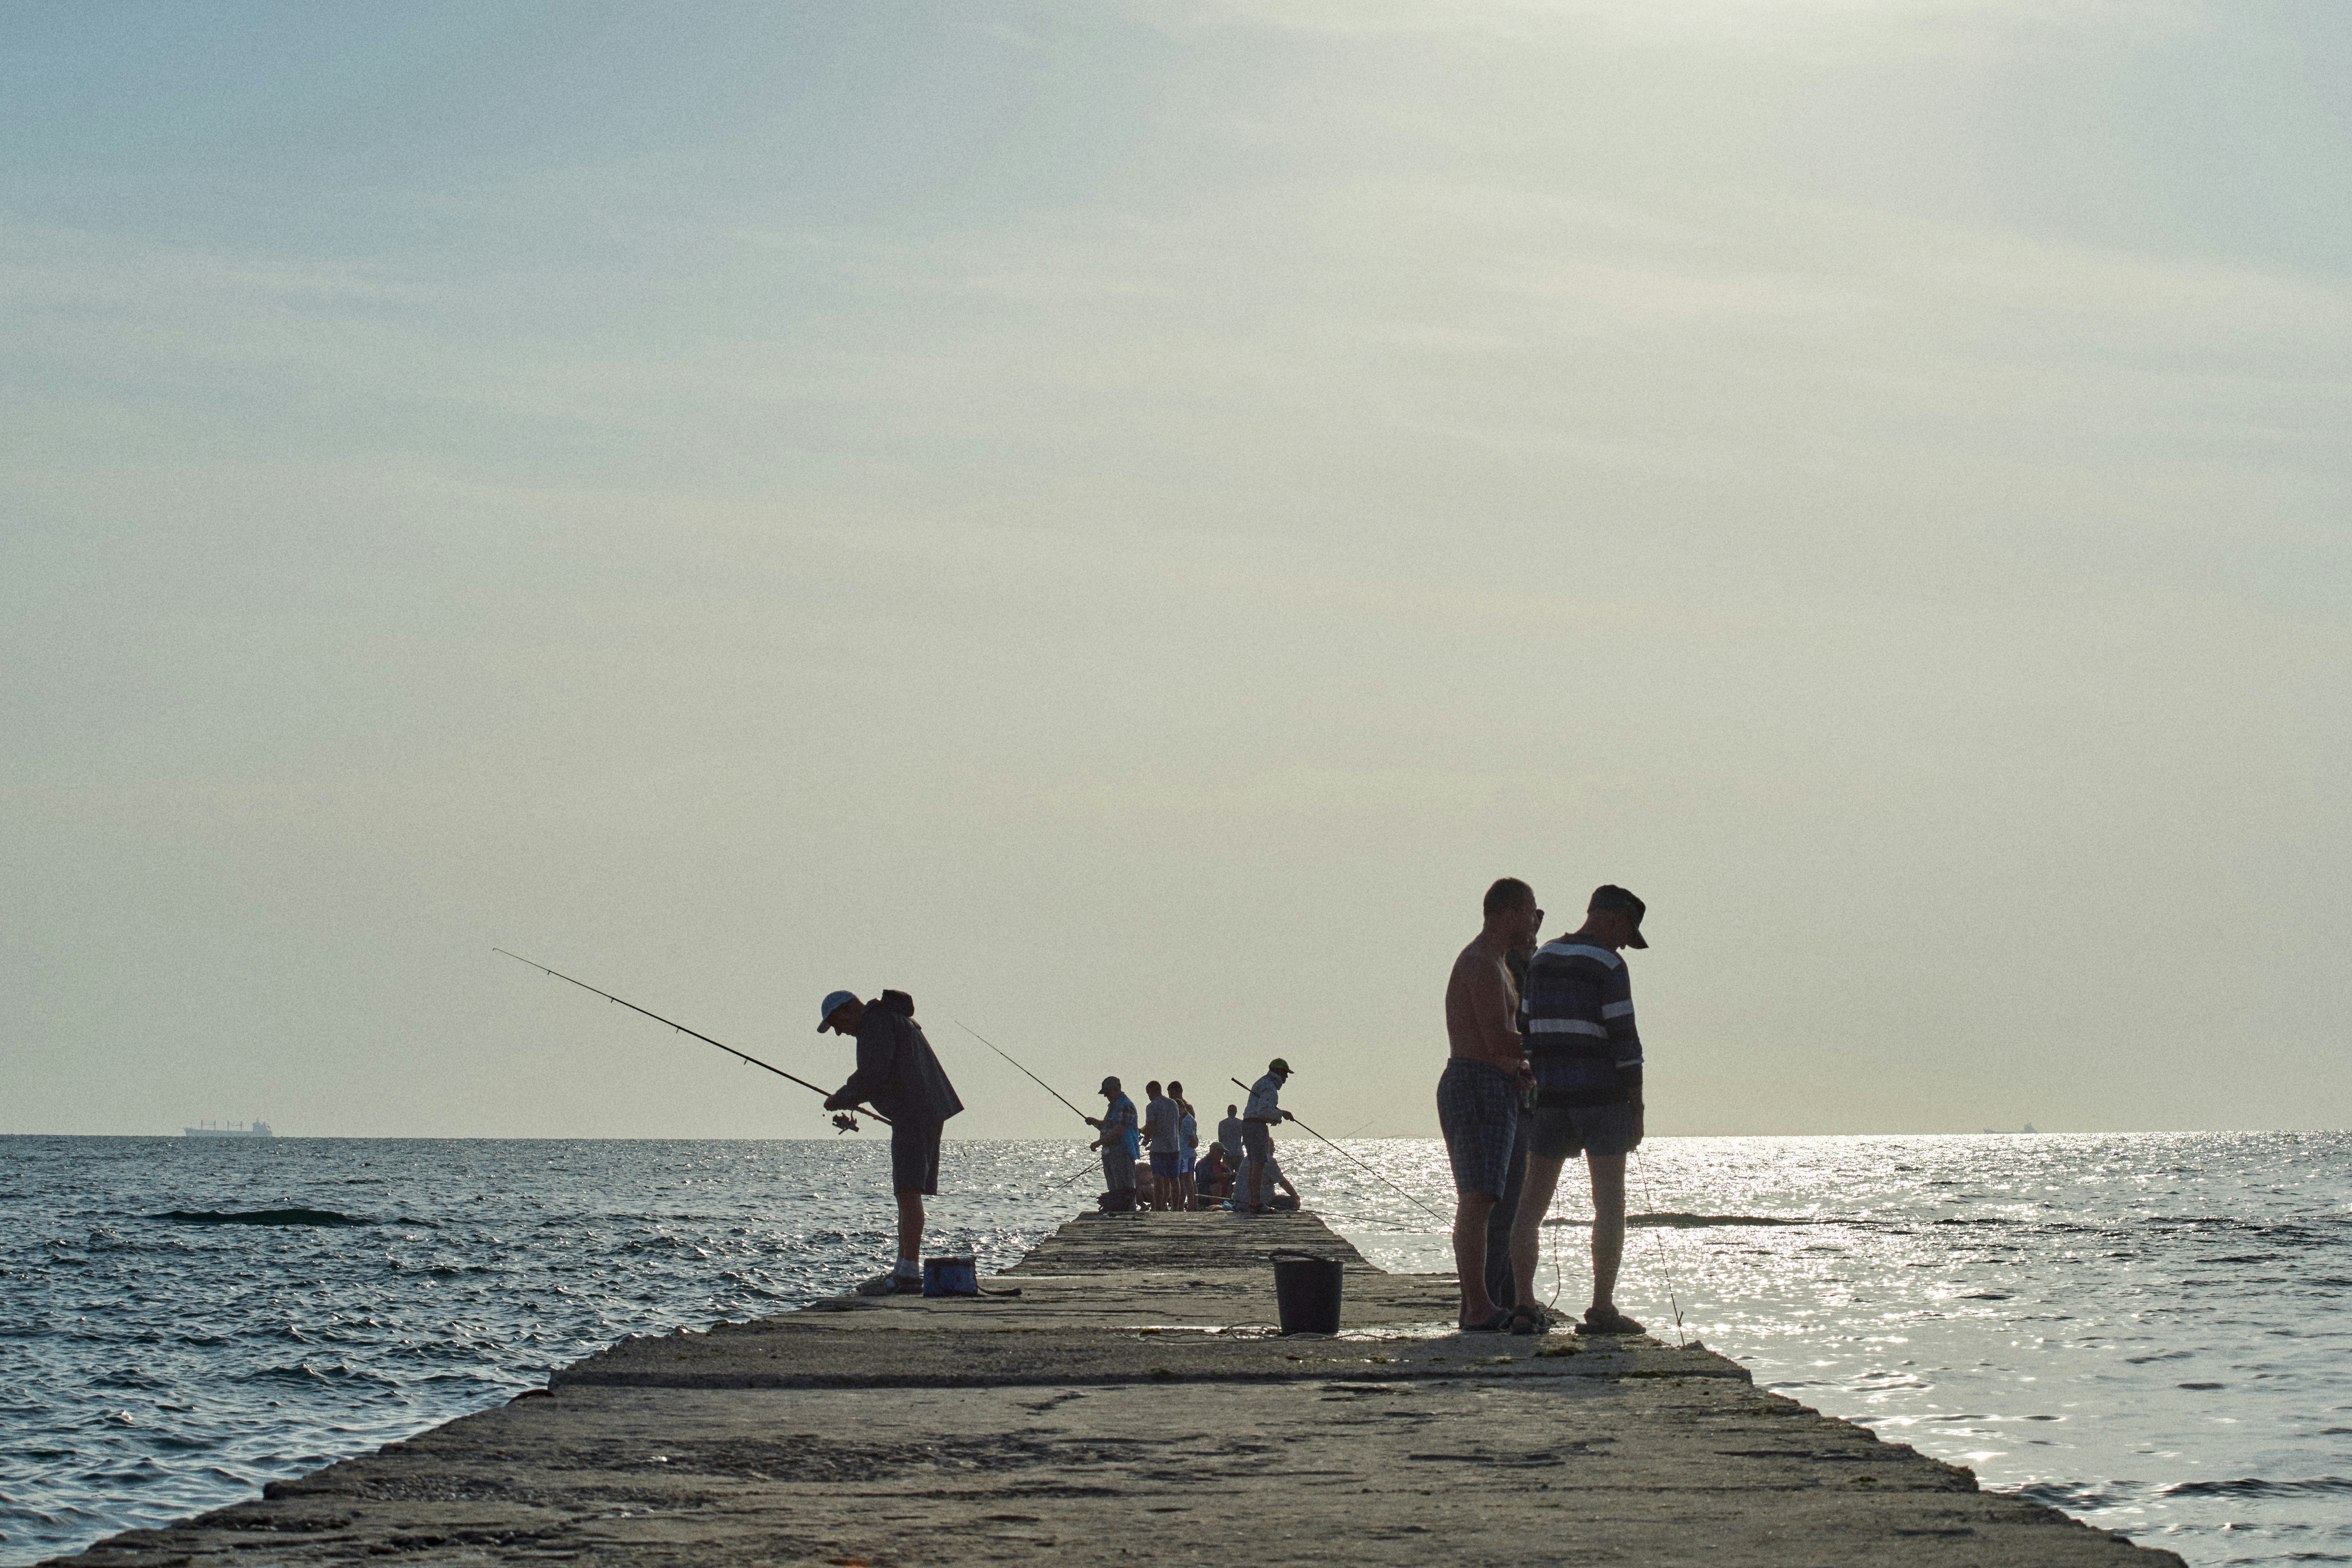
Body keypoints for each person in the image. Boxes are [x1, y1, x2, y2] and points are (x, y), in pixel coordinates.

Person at [1508, 885, 1651, 1336]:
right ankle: (1602, 1308)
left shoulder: (1544, 957)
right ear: (1612, 919)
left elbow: (1526, 1030)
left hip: (1550, 1098)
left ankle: (1524, 1305)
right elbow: (1625, 1040)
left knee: (1531, 1204)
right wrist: (1637, 1105)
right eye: (1627, 931)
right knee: (1609, 1203)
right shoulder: (1609, 964)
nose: (1626, 943)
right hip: (1602, 1097)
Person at [818, 987, 966, 1296]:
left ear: (847, 1009)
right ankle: (904, 1268)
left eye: (836, 1024)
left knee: (908, 1189)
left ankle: (908, 1271)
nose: (840, 1033)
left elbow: (874, 1074)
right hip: (920, 1110)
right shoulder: (890, 1019)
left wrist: (842, 1098)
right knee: (907, 1190)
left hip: (915, 1112)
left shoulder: (876, 1023)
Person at [1440, 877, 1540, 1331]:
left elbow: (1502, 1045)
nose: (1535, 922)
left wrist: (1520, 1067)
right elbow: (1494, 1036)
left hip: (1497, 1084)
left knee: (1496, 1199)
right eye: (1532, 912)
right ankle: (1477, 1304)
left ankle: (1482, 1302)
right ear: (1510, 912)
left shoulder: (1501, 963)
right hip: (1475, 1084)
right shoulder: (1480, 962)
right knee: (1478, 1198)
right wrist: (1548, 1043)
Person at [1484, 910, 1542, 1315]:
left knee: (1510, 1210)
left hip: (1523, 1101)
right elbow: (1499, 1039)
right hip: (1510, 1101)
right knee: (1507, 1209)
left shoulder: (1518, 973)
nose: (1536, 935)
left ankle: (1506, 1296)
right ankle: (1498, 1299)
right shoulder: (1504, 974)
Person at [1240, 1059, 1294, 1214]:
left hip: (1249, 1125)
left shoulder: (1261, 1083)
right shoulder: (1270, 1088)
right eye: (1286, 1074)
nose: (1286, 1078)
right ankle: (1256, 1204)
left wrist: (1278, 1114)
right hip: (1257, 1127)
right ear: (1278, 1072)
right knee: (1258, 1166)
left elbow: (1262, 1108)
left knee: (1254, 1165)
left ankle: (1253, 1202)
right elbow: (1263, 1111)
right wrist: (1280, 1115)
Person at [1085, 1076, 1140, 1212]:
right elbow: (1109, 1126)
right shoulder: (1115, 1106)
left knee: (1125, 1186)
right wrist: (1095, 1122)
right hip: (1111, 1151)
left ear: (1117, 1089)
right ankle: (1117, 1210)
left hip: (1122, 1150)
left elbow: (1119, 1130)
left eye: (1108, 1093)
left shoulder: (1125, 1106)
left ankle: (1127, 1212)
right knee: (1114, 1185)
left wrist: (1099, 1142)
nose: (1107, 1097)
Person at [1142, 1081, 1181, 1211]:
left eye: (1148, 1094)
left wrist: (1146, 1139)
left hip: (1158, 1149)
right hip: (1174, 1148)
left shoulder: (1152, 1107)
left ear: (1152, 1092)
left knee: (1158, 1179)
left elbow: (1151, 1126)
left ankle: (1158, 1207)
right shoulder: (1174, 1104)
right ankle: (1176, 1207)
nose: (1148, 1096)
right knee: (1174, 1179)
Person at [1170, 1083, 1200, 1210]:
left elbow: (1191, 1133)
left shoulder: (1186, 1112)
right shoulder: (1178, 1110)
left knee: (1188, 1179)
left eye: (1172, 1093)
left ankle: (1192, 1205)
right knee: (1182, 1179)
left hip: (1186, 1152)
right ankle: (1180, 1205)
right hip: (1181, 1151)